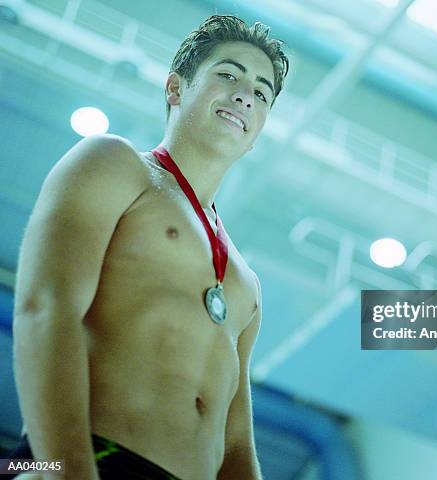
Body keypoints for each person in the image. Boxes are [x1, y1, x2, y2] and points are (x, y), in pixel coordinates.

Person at [10, 14, 289, 480]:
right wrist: (67, 470)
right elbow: (45, 308)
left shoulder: (246, 284)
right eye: (228, 75)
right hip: (81, 459)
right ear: (176, 89)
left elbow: (236, 440)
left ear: (258, 127)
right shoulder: (113, 164)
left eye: (261, 93)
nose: (245, 94)